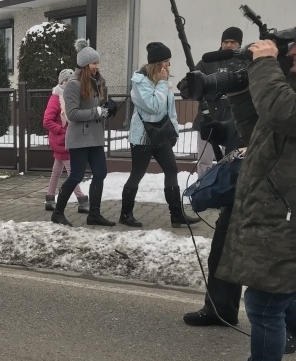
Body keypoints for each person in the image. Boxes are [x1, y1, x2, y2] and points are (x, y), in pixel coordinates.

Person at [204, 35, 296, 361]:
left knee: (264, 303)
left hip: (284, 216)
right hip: (277, 210)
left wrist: (264, 65)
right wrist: (243, 92)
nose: (290, 52)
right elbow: (259, 128)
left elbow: (281, 113)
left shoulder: (284, 94)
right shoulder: (285, 90)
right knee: (282, 299)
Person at [119, 42, 200, 229]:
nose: (168, 66)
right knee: (137, 174)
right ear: (155, 64)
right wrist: (163, 84)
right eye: (165, 61)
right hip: (143, 137)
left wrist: (174, 131)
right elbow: (153, 107)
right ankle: (125, 213)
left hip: (161, 135)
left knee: (171, 170)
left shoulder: (163, 82)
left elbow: (170, 110)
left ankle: (176, 215)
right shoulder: (139, 83)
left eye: (169, 61)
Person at [182, 101, 244, 327]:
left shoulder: (282, 86)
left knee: (275, 261)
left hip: (277, 192)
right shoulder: (259, 85)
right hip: (242, 188)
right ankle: (220, 309)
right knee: (221, 250)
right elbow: (245, 124)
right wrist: (222, 129)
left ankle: (290, 326)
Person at [51, 39, 116, 227]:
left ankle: (94, 214)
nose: (97, 66)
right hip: (79, 138)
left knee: (100, 173)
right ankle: (57, 212)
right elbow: (71, 113)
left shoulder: (97, 82)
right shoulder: (73, 84)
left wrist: (108, 108)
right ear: (85, 65)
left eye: (98, 62)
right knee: (76, 176)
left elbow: (97, 107)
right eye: (94, 63)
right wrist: (96, 112)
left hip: (95, 137)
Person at [187, 27, 244, 177]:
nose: (229, 45)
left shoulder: (243, 62)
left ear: (239, 44)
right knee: (204, 161)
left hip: (233, 122)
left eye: (233, 42)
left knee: (232, 160)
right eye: (226, 41)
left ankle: (227, 193)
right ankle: (202, 191)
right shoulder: (208, 61)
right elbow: (190, 83)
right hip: (207, 118)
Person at [42, 68, 87, 213]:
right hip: (63, 141)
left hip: (66, 140)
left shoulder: (69, 97)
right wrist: (64, 131)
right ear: (62, 82)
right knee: (73, 173)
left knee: (57, 171)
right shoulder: (56, 98)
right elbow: (47, 121)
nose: (71, 84)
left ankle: (50, 199)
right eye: (68, 81)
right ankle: (82, 201)